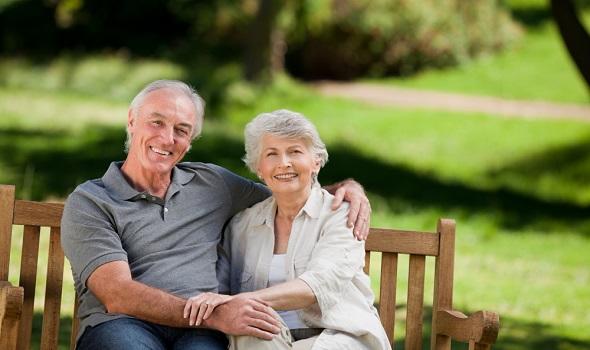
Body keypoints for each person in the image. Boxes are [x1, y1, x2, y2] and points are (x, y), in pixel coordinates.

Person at [61, 80, 372, 350]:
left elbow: (286, 188)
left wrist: (348, 186)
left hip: (202, 332)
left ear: (190, 141)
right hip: (124, 324)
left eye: (181, 130)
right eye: (156, 122)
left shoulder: (212, 184)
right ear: (132, 121)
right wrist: (217, 313)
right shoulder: (92, 201)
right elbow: (118, 294)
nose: (168, 138)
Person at [184, 110, 391, 349]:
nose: (284, 163)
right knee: (248, 328)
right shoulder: (242, 225)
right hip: (272, 338)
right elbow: (218, 289)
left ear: (316, 162)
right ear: (258, 168)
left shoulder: (341, 215)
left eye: (295, 151)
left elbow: (317, 284)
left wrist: (241, 300)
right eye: (272, 154)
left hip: (338, 335)